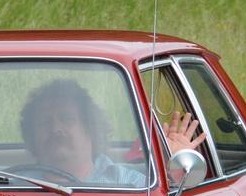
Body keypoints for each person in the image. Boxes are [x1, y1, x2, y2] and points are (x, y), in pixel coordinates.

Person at [18, 78, 206, 185]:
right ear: (32, 136)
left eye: (67, 119)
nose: (56, 129)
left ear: (91, 128)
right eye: (44, 122)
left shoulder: (131, 183)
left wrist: (175, 169)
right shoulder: (12, 184)